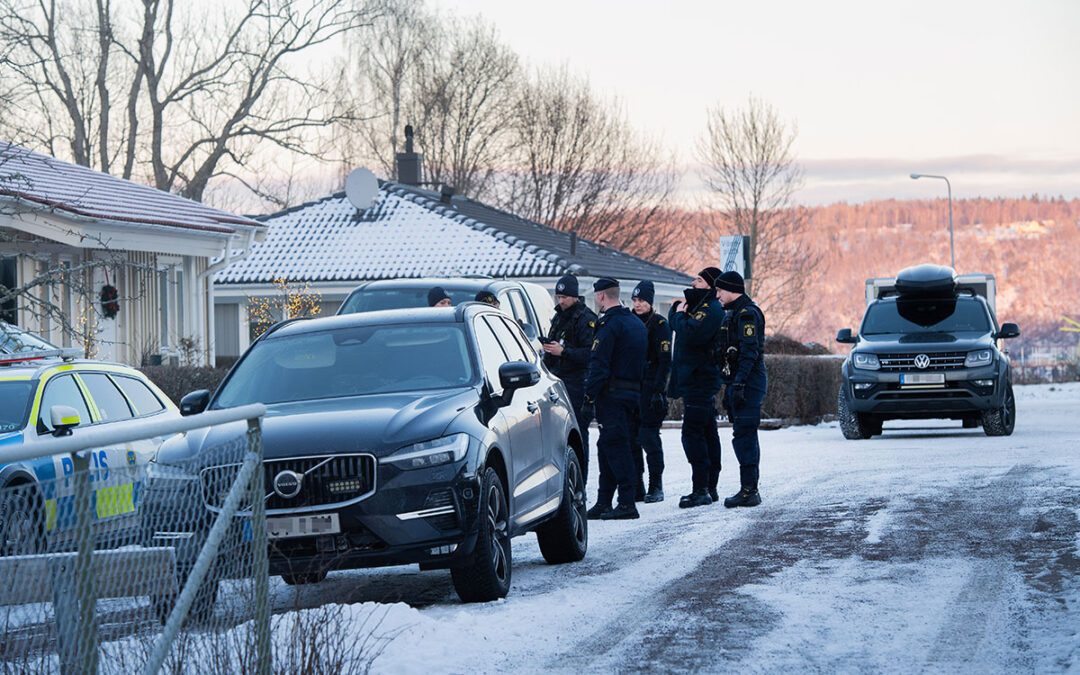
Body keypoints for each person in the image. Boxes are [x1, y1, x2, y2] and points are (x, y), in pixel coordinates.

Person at [582, 278, 647, 520]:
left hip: (612, 396)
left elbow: (599, 365)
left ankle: (627, 502)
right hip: (632, 394)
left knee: (616, 447)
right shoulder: (635, 323)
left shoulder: (609, 325)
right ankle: (604, 501)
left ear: (601, 296)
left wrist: (589, 395)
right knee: (609, 446)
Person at [668, 267, 725, 508]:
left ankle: (701, 488)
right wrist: (678, 313)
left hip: (700, 380)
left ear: (711, 286)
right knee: (706, 432)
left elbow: (691, 334)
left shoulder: (710, 309)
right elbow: (680, 327)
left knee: (693, 435)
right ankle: (708, 487)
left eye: (699, 280)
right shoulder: (699, 306)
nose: (693, 283)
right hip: (694, 379)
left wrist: (680, 315)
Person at [715, 271, 766, 507]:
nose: (717, 295)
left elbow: (749, 352)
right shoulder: (733, 313)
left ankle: (749, 490)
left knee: (744, 435)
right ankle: (748, 487)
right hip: (739, 382)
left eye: (720, 290)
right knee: (741, 434)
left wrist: (740, 383)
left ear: (732, 289)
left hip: (749, 383)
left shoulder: (747, 314)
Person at [542, 274, 597, 478]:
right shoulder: (559, 317)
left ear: (574, 296)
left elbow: (591, 354)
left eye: (565, 297)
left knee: (578, 435)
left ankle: (580, 479)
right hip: (558, 382)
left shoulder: (585, 319)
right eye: (558, 296)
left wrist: (564, 352)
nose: (561, 301)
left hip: (578, 384)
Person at [629, 280, 671, 503]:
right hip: (632, 387)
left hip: (650, 386)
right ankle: (637, 484)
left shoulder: (659, 324)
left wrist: (658, 390)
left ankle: (656, 485)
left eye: (642, 300)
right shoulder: (629, 320)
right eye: (635, 300)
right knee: (632, 437)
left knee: (649, 437)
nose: (637, 304)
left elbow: (665, 361)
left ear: (650, 302)